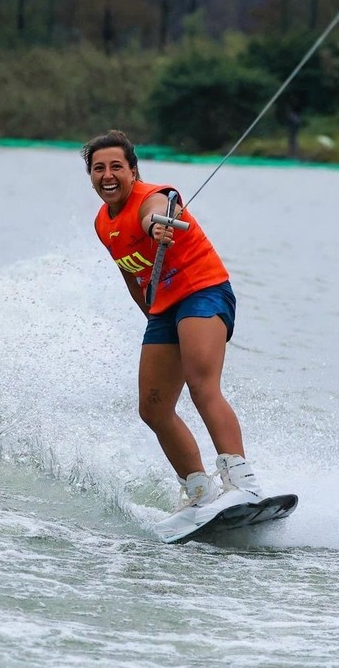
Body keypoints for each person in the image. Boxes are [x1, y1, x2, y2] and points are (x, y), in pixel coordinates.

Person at [82, 129, 263, 543]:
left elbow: (158, 210)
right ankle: (199, 491)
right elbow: (131, 275)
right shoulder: (102, 223)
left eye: (116, 167)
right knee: (153, 407)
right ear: (91, 177)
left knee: (202, 385)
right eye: (98, 169)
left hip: (203, 291)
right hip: (164, 309)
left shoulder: (154, 197)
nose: (107, 175)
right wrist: (151, 316)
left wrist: (155, 228)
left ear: (132, 171)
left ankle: (243, 482)